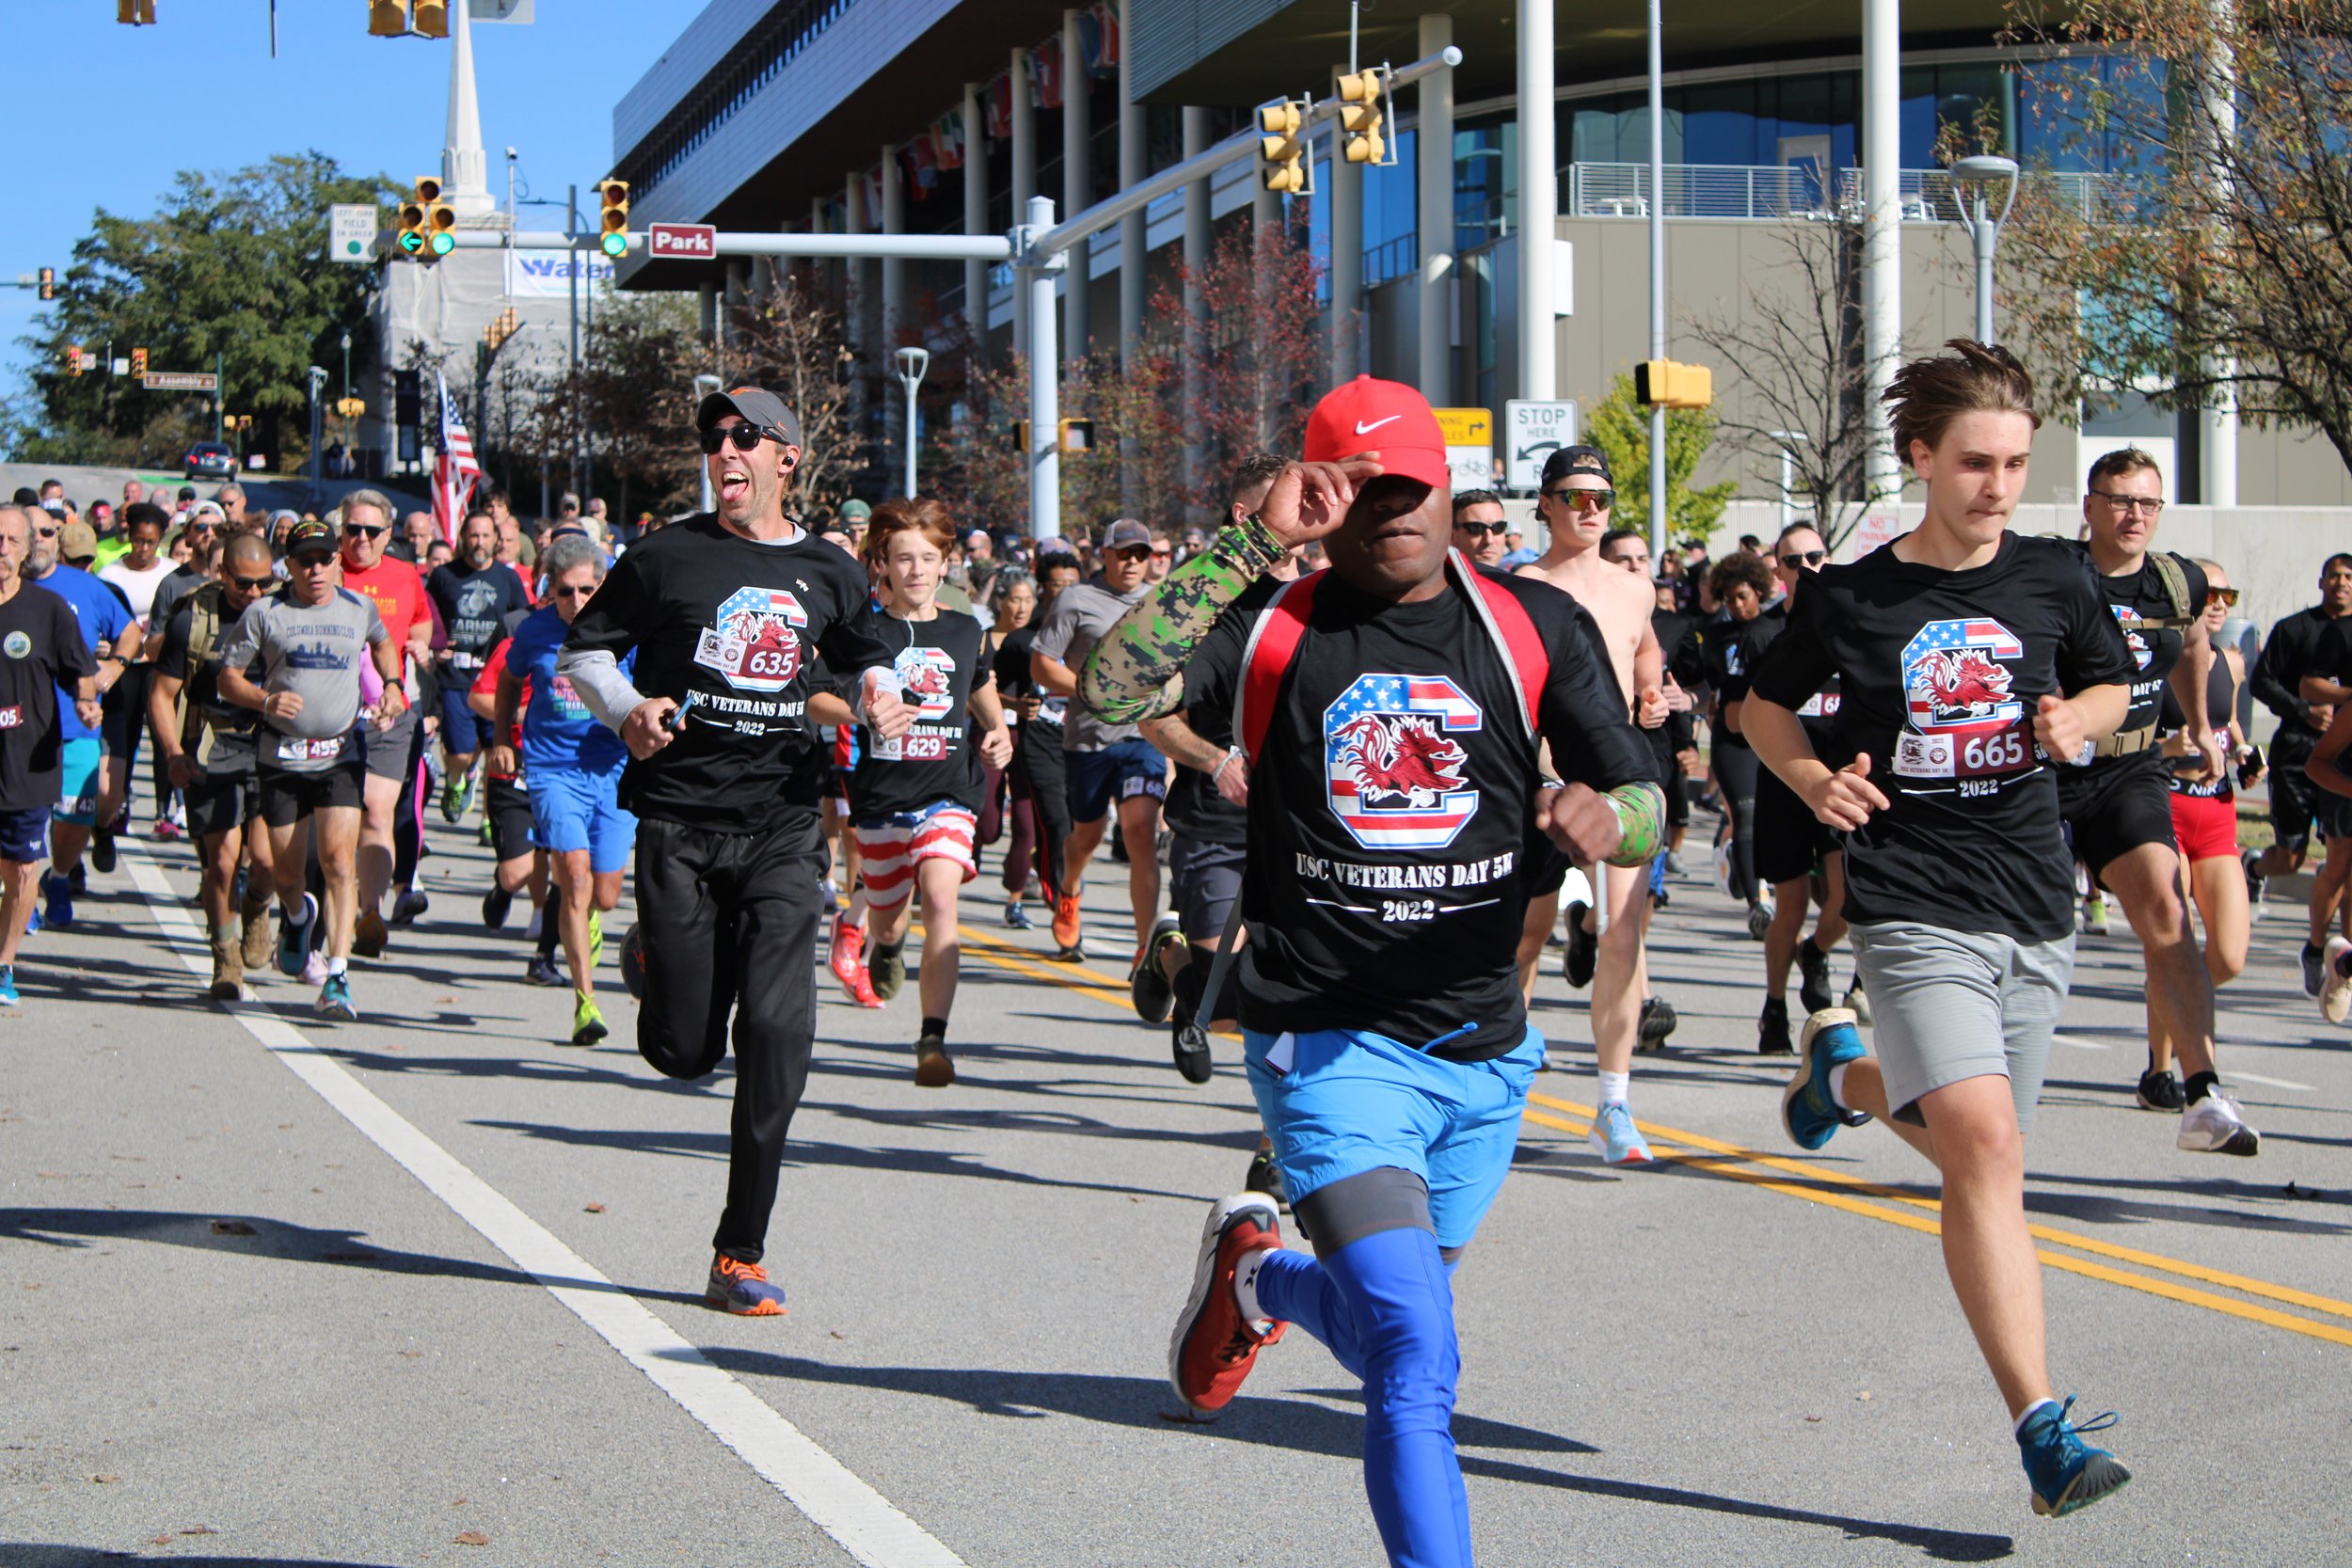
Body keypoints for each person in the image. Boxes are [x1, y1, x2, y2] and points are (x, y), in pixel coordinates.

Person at [1080, 376, 1663, 1568]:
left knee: (1390, 1318)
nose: (1390, 507)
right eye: (1359, 488)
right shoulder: (1270, 623)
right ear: (1320, 501)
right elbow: (1108, 687)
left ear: (1449, 487)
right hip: (1327, 1042)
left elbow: (1650, 790)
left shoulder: (1529, 626)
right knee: (1413, 1353)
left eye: (1410, 484)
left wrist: (1618, 819)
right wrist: (1248, 543)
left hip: (1483, 1051)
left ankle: (1261, 1281)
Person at [1745, 340, 2137, 1520]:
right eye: (1976, 462)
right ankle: (2043, 1428)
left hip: (2034, 898)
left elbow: (2116, 682)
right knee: (1989, 1153)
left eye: (2017, 463)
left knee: (1973, 1149)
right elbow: (1761, 704)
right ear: (1921, 456)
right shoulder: (1852, 597)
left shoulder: (2056, 578)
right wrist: (1814, 784)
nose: (1999, 486)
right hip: (1913, 900)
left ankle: (1841, 1075)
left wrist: (2079, 712)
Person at [556, 384, 911, 1318]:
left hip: (785, 822)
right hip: (677, 821)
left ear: (786, 457)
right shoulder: (665, 554)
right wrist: (626, 708)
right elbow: (585, 652)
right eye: (714, 438)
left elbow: (867, 650)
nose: (725, 449)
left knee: (780, 1030)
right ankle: (654, 963)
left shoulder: (826, 567)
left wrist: (879, 691)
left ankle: (738, 1251)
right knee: (682, 1051)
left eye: (745, 436)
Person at [2057, 449, 2258, 1151]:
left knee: (2167, 911)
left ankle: (2201, 1092)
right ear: (2090, 507)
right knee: (2031, 933)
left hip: (2130, 771)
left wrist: (2201, 725)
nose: (2134, 514)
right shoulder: (2054, 574)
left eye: (2147, 502)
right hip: (2047, 773)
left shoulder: (2178, 580)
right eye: (2119, 500)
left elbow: (2198, 643)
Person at [1516, 446, 1677, 1158]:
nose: (1589, 509)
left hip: (1615, 779)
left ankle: (1614, 1102)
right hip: (1540, 779)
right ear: (1546, 503)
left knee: (1622, 933)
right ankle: (1501, 1080)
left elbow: (1646, 659)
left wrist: (1654, 697)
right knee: (1523, 936)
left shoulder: (1634, 587)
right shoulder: (1518, 585)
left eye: (1601, 498)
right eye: (1574, 496)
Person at [833, 499, 1011, 1085]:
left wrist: (999, 730)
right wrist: (863, 713)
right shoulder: (861, 628)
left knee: (940, 897)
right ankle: (881, 944)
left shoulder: (965, 630)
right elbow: (813, 698)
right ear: (880, 562)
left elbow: (977, 684)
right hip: (882, 798)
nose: (915, 570)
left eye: (927, 559)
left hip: (949, 792)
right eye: (902, 558)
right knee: (889, 920)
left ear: (945, 565)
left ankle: (932, 1039)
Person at [1136, 453, 1293, 1085]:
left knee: (1295, 1004)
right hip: (1216, 823)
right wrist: (1216, 759)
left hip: (1302, 834)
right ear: (1246, 514)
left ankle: (1275, 1155)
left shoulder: (1325, 601)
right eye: (1288, 500)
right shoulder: (1204, 610)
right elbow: (1147, 711)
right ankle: (1169, 956)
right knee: (1221, 1002)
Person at [215, 518, 407, 1021]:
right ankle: (298, 916)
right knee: (285, 871)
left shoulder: (357, 608)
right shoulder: (265, 612)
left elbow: (385, 643)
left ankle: (338, 975)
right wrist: (264, 699)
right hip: (281, 755)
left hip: (340, 753)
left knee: (339, 862)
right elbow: (227, 678)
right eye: (306, 560)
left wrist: (392, 684)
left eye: (326, 559)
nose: (317, 568)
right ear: (290, 564)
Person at [492, 534, 633, 1045]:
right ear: (550, 589)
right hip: (553, 769)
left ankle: (592, 917)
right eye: (566, 591)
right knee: (572, 876)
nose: (576, 601)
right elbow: (508, 683)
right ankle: (585, 1003)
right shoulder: (535, 631)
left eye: (587, 590)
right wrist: (503, 738)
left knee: (608, 894)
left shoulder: (625, 631)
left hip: (613, 769)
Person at [149, 530, 280, 997]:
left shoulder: (282, 614)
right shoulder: (193, 619)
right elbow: (162, 696)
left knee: (266, 862)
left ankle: (259, 908)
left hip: (270, 749)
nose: (254, 594)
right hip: (210, 746)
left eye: (264, 583)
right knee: (222, 864)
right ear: (222, 572)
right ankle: (225, 958)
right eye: (243, 583)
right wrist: (173, 755)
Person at [1030, 518, 1168, 966]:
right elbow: (1042, 665)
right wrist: (1096, 695)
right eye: (1123, 553)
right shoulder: (1077, 599)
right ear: (1104, 555)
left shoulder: (1162, 603)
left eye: (1141, 555)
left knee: (1140, 832)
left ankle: (1145, 948)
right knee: (1086, 837)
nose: (1131, 563)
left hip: (1143, 736)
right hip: (1088, 739)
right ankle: (1069, 887)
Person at [1746, 524, 1855, 1053]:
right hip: (1784, 783)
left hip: (1839, 785)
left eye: (1815, 556)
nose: (1806, 566)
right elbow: (1739, 715)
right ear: (1777, 570)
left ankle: (1816, 951)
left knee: (1845, 897)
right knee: (1789, 904)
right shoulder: (1765, 634)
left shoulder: (1848, 623)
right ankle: (1774, 1008)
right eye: (1793, 560)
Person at [0, 507, 100, 1005]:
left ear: (26, 550)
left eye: (11, 540)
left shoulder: (47, 609)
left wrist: (86, 701)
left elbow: (80, 669)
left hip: (28, 764)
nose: (2, 547)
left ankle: (5, 964)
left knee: (21, 873)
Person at [2159, 560, 2257, 1044]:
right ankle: (2160, 1071)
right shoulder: (2158, 659)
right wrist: (2167, 749)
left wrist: (2244, 754)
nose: (2218, 604)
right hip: (2167, 808)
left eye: (2227, 596)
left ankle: (2175, 995)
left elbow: (2229, 722)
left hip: (2217, 811)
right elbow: (2116, 739)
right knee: (2176, 945)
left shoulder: (2233, 662)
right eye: (2209, 593)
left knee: (2230, 957)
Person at [335, 491, 436, 951]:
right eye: (353, 529)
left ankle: (369, 916)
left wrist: (417, 647)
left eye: (371, 531)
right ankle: (329, 899)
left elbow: (419, 623)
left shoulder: (404, 575)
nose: (361, 539)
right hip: (328, 712)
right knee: (337, 817)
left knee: (377, 809)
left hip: (389, 711)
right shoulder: (323, 571)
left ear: (387, 536)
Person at [25, 516, 135, 926]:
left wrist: (114, 666)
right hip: (17, 731)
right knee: (24, 823)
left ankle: (57, 876)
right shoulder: (7, 590)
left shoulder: (86, 588)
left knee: (74, 819)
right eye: (27, 534)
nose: (37, 541)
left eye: (46, 533)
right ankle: (21, 895)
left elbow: (129, 633)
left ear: (58, 540)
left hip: (76, 726)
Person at [2251, 554, 2352, 985]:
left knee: (2343, 860)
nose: (2341, 584)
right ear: (2321, 581)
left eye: (2349, 577)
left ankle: (2337, 956)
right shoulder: (2295, 629)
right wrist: (2303, 710)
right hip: (2299, 750)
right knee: (2292, 858)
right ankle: (2253, 868)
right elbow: (2263, 681)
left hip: (2344, 752)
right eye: (2335, 576)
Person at [428, 509, 532, 821]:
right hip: (455, 677)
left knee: (493, 753)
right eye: (474, 535)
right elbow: (428, 617)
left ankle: (488, 821)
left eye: (486, 535)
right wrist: (435, 645)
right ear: (463, 538)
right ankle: (458, 778)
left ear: (496, 540)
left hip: (495, 679)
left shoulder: (508, 578)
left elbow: (521, 623)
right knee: (458, 753)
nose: (480, 541)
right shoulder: (444, 576)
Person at [1699, 550, 1781, 940]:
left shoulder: (1775, 630)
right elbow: (1708, 684)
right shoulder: (1715, 634)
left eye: (1743, 596)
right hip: (1732, 739)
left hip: (1771, 737)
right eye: (1730, 598)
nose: (1736, 605)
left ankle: (1760, 871)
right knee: (1744, 814)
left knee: (1769, 817)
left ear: (1760, 591)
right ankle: (1758, 903)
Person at [999, 550, 1081, 931]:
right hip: (1038, 745)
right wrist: (1017, 705)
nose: (1064, 592)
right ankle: (1063, 904)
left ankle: (1055, 877)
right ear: (1043, 589)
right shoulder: (1021, 641)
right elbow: (987, 689)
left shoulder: (1092, 633)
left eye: (1071, 585)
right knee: (1056, 823)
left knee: (1080, 827)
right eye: (1057, 585)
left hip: (1083, 742)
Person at [99, 505, 180, 841]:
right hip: (125, 665)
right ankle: (119, 805)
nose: (143, 549)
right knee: (125, 737)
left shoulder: (172, 573)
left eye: (151, 542)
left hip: (160, 665)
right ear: (128, 537)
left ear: (160, 540)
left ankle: (163, 811)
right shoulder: (110, 575)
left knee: (164, 737)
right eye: (137, 541)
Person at [976, 568, 1039, 928]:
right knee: (987, 825)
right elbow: (969, 693)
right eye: (1015, 599)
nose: (1021, 607)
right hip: (987, 734)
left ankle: (1015, 899)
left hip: (1030, 741)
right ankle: (976, 846)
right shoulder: (982, 639)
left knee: (1027, 826)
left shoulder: (1040, 641)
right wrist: (1009, 704)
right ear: (1001, 600)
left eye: (1028, 600)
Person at [1448, 489, 1509, 569]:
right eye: (1476, 528)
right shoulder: (1435, 580)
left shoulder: (1516, 580)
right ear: (1452, 536)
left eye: (1498, 527)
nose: (1489, 540)